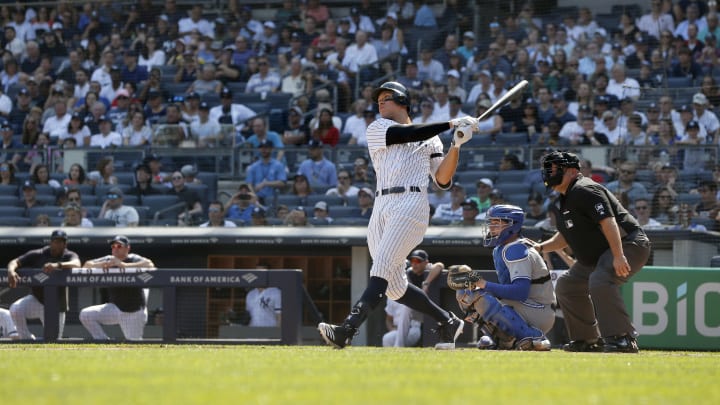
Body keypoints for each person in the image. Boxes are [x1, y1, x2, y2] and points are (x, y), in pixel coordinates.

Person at [318, 81, 478, 349]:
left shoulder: (432, 138)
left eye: (386, 97)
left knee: (379, 269)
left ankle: (346, 330)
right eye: (378, 99)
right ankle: (448, 321)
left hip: (411, 202)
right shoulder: (378, 127)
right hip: (381, 204)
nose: (380, 102)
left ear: (403, 100)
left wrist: (457, 145)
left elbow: (442, 180)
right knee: (393, 287)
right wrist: (451, 124)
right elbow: (405, 134)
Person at [533, 151, 651, 353]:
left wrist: (618, 255)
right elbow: (564, 237)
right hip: (599, 254)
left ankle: (622, 338)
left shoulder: (585, 189)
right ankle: (586, 339)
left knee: (600, 279)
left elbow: (609, 221)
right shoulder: (563, 199)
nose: (548, 171)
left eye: (553, 167)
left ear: (571, 171)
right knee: (567, 285)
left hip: (629, 244)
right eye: (547, 168)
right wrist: (541, 247)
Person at [450, 205, 554, 350]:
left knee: (479, 296)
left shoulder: (516, 249)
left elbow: (520, 292)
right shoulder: (501, 248)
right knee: (465, 292)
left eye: (496, 222)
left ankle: (534, 336)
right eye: (490, 222)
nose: (491, 227)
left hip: (539, 310)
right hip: (527, 307)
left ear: (513, 225)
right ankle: (503, 340)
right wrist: (475, 284)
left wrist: (482, 283)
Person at [6, 230, 81, 340]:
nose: (59, 244)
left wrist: (57, 265)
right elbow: (15, 262)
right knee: (16, 309)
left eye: (62, 242)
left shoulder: (68, 255)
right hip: (37, 301)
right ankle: (26, 339)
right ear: (51, 242)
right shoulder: (39, 254)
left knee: (53, 341)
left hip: (57, 306)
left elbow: (77, 264)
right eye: (56, 241)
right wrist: (11, 271)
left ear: (65, 244)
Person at [79, 235, 156, 340]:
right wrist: (101, 264)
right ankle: (103, 341)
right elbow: (86, 265)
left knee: (134, 346)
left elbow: (150, 264)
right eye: (113, 246)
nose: (115, 248)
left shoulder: (133, 258)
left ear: (127, 248)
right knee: (86, 315)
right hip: (115, 308)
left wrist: (123, 265)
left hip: (133, 311)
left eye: (119, 246)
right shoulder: (108, 259)